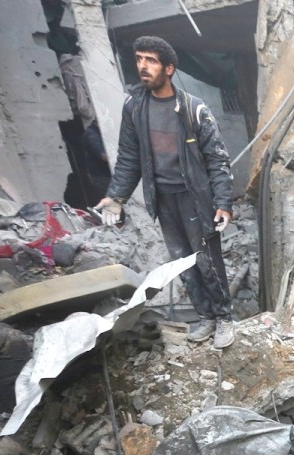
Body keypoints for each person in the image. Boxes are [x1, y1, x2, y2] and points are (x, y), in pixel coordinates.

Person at [95, 36, 237, 349]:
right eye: (139, 59)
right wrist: (116, 196)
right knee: (182, 264)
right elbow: (130, 157)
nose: (143, 66)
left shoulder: (192, 109)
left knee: (207, 262)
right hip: (163, 198)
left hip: (195, 199)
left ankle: (225, 317)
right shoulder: (135, 108)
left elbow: (217, 159)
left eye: (151, 60)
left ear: (169, 68)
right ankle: (206, 317)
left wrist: (224, 203)